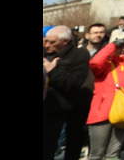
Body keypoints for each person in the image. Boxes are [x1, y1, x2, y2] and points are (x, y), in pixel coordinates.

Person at [86, 28, 124, 160]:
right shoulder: (105, 64)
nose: (123, 49)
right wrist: (112, 45)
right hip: (102, 113)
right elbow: (94, 62)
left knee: (113, 155)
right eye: (120, 46)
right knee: (96, 155)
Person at [43, 25, 93, 160]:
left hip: (73, 109)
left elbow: (74, 83)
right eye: (45, 41)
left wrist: (52, 70)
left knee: (73, 146)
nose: (47, 45)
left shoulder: (79, 55)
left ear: (65, 41)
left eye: (51, 42)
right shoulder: (44, 52)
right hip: (49, 109)